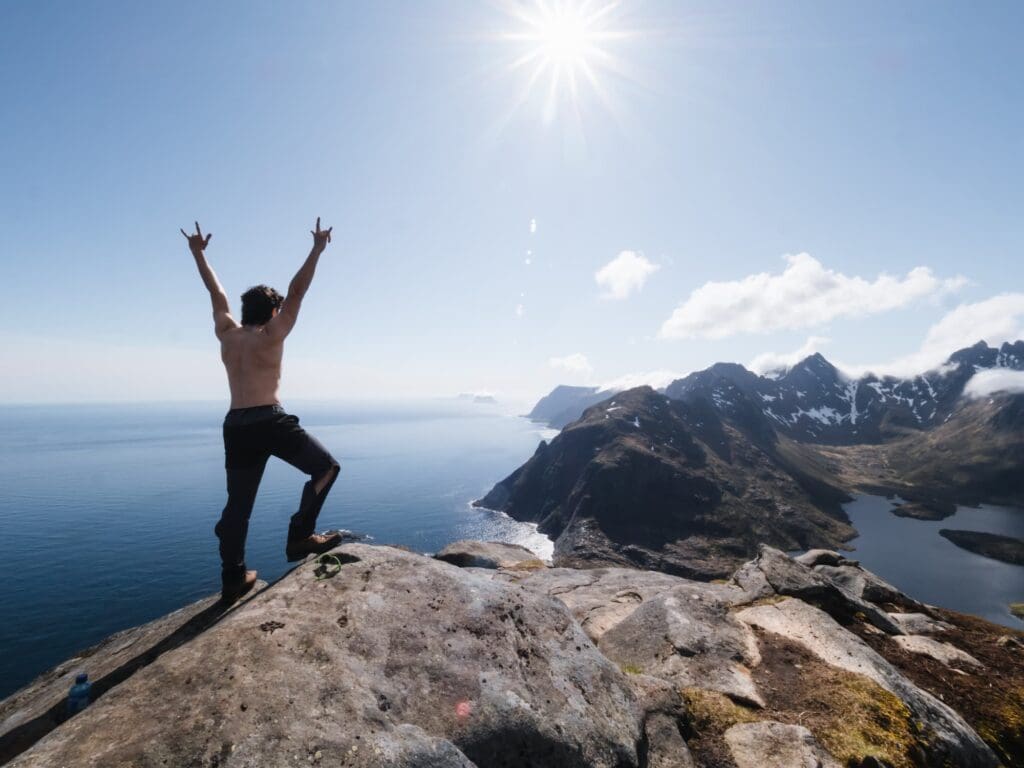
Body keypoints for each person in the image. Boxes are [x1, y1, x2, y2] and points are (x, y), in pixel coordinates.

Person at [182, 219, 343, 603]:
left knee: (238, 507)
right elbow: (297, 290)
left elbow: (216, 293)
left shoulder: (227, 333)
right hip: (270, 420)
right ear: (272, 311)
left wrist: (199, 255)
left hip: (235, 425)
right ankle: (301, 536)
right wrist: (318, 248)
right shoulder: (272, 334)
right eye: (278, 308)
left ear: (244, 309)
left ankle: (233, 577)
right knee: (326, 468)